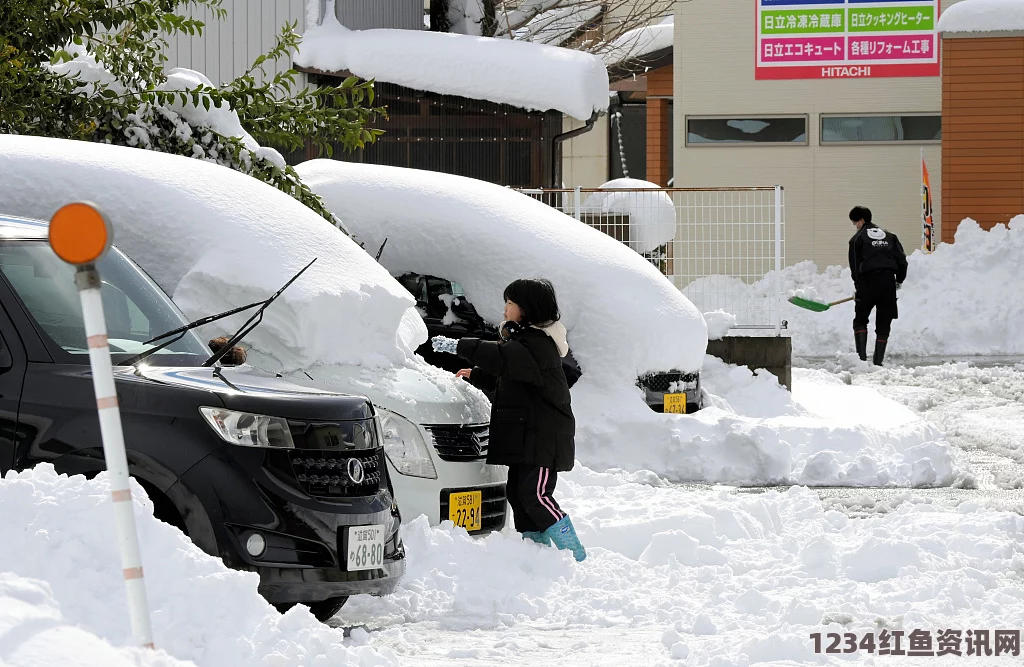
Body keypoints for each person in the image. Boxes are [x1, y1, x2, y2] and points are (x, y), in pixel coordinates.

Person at [430, 279, 586, 562]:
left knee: (535, 495)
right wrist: (477, 375)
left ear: (526, 310)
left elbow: (502, 357)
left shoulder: (537, 344)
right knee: (517, 493)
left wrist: (458, 345)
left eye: (510, 304)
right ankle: (535, 550)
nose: (504, 310)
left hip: (545, 437)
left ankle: (573, 554)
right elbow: (513, 374)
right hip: (530, 435)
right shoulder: (524, 345)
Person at [848, 206, 908, 366]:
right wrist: (898, 280)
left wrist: (858, 286)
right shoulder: (890, 237)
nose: (855, 226)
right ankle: (878, 362)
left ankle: (861, 360)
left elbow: (855, 266)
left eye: (855, 222)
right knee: (884, 322)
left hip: (867, 282)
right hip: (888, 283)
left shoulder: (856, 239)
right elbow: (902, 261)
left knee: (860, 320)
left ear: (861, 220)